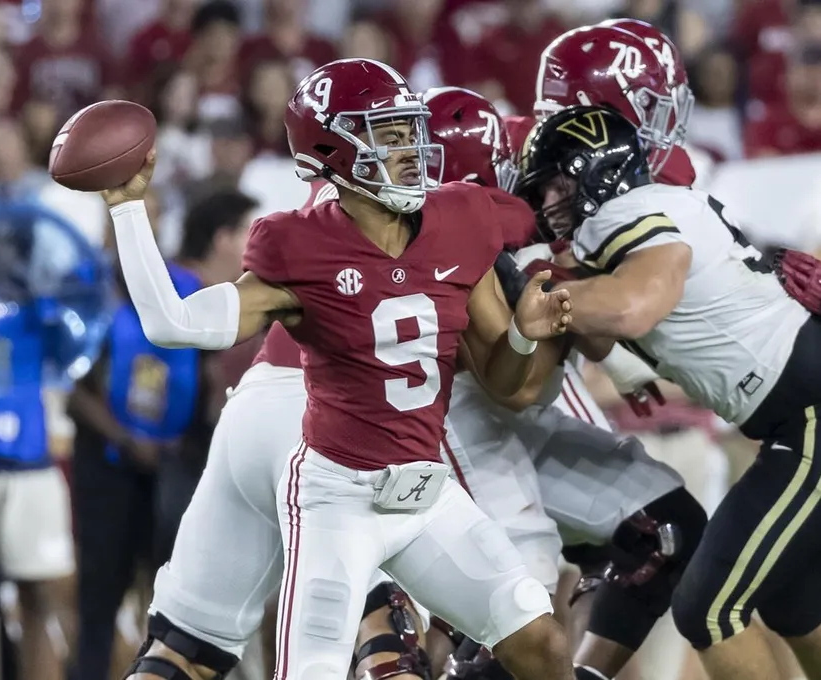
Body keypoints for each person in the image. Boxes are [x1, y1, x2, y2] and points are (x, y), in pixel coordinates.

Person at [109, 58, 575, 680]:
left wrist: (522, 333)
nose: (410, 148)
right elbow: (174, 324)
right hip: (336, 501)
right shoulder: (300, 244)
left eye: (410, 129)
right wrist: (128, 210)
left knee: (541, 642)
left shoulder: (460, 218)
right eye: (388, 134)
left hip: (426, 494)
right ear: (331, 150)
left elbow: (502, 380)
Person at [517, 103, 821, 680]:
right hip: (795, 415)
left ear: (594, 170)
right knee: (793, 601)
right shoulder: (654, 202)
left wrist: (552, 304)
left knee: (708, 606)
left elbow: (634, 305)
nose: (546, 203)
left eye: (555, 184)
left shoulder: (624, 212)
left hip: (808, 416)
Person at [422, 85, 707, 680]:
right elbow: (515, 382)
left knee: (666, 527)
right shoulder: (443, 231)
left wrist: (589, 321)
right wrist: (564, 297)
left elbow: (580, 335)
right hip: (448, 422)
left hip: (512, 417)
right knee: (525, 601)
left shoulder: (528, 159)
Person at [68, 190, 251, 680]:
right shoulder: (87, 293)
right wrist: (127, 439)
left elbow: (213, 376)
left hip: (174, 464)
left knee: (173, 599)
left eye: (150, 221)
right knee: (99, 598)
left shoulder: (184, 290)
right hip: (107, 465)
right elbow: (74, 388)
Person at [0, 185, 110, 680]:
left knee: (43, 598)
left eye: (8, 242)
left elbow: (77, 344)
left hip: (31, 461)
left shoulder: (42, 307)